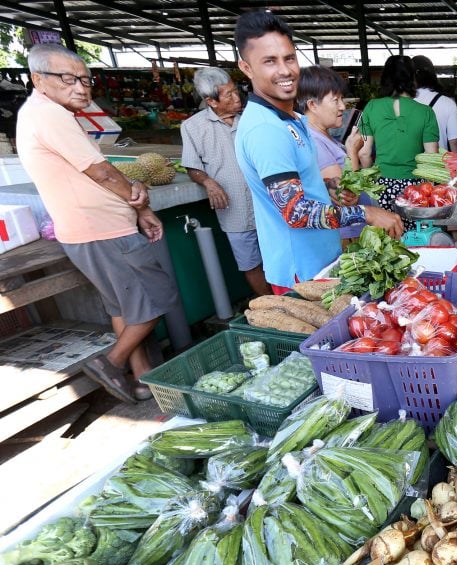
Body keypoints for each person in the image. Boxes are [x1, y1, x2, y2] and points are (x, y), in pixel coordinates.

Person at [17, 43, 176, 405]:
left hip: (90, 231)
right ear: (38, 79)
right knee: (154, 300)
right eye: (68, 79)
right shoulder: (50, 116)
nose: (80, 88)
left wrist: (136, 211)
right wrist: (138, 198)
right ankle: (110, 363)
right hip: (103, 232)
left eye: (85, 80)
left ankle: (142, 381)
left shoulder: (42, 113)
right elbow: (101, 171)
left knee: (124, 308)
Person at [232, 11, 402, 294]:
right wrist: (365, 213)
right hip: (301, 273)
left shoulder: (293, 121)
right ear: (246, 68)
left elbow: (304, 185)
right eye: (269, 61)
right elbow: (296, 212)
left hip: (321, 261)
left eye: (289, 58)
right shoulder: (264, 130)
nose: (285, 70)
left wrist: (331, 188)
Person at [181, 66, 271, 296]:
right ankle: (272, 306)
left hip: (268, 203)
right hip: (235, 209)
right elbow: (192, 166)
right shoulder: (192, 127)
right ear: (211, 101)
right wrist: (209, 182)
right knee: (250, 262)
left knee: (278, 253)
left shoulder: (253, 117)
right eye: (228, 94)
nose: (236, 97)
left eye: (235, 90)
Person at [353, 55, 439, 216]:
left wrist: (372, 180)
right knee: (416, 237)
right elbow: (431, 157)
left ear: (385, 78)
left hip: (381, 185)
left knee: (386, 237)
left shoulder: (371, 107)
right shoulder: (426, 112)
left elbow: (364, 153)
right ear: (413, 78)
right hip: (415, 188)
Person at [296, 65, 366, 243]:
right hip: (345, 237)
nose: (343, 106)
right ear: (313, 105)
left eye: (342, 99)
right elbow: (347, 197)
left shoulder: (323, 136)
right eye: (336, 100)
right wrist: (352, 152)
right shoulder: (315, 142)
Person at [412, 55, 457, 153]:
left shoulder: (401, 102)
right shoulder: (447, 103)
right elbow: (455, 142)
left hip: (407, 164)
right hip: (438, 165)